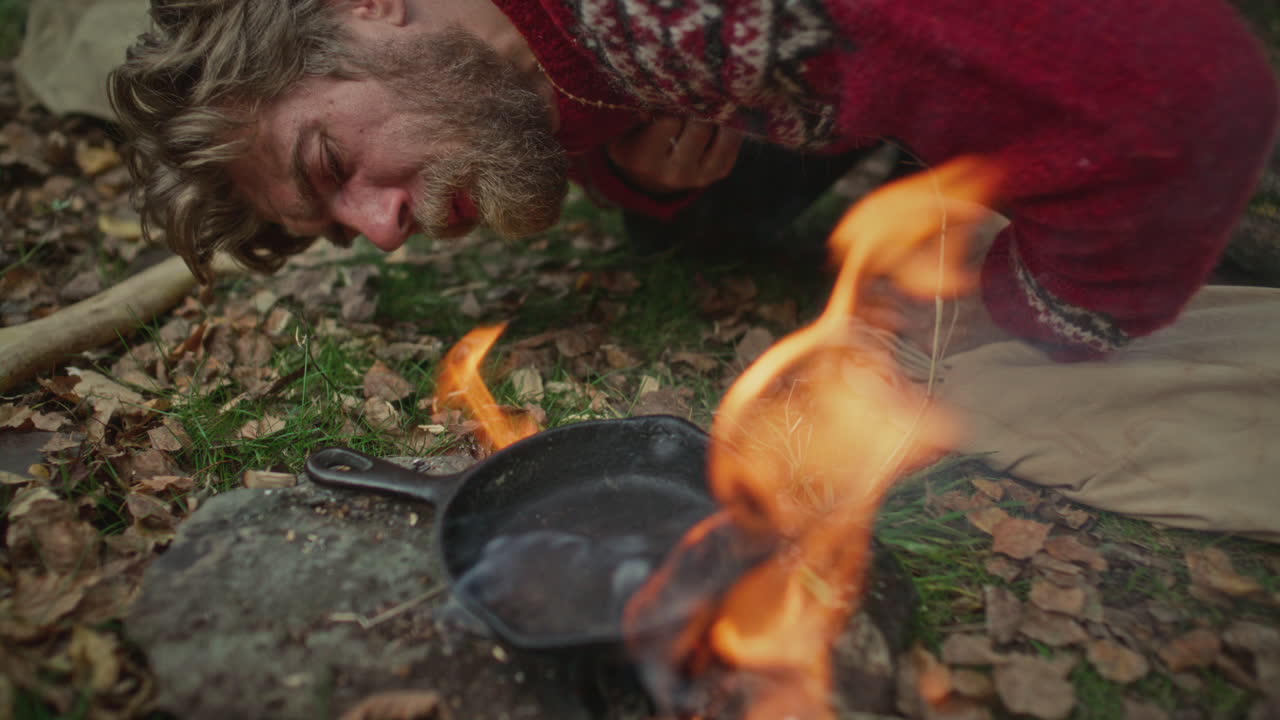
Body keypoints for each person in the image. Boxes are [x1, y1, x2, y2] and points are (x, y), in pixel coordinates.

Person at [108, 0, 1278, 362]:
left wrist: (1046, 310)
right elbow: (580, 125)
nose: (387, 231)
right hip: (848, 108)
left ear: (365, 8)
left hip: (960, 78)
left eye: (333, 166)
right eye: (336, 228)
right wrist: (635, 175)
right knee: (672, 237)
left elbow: (1191, 94)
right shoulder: (485, 58)